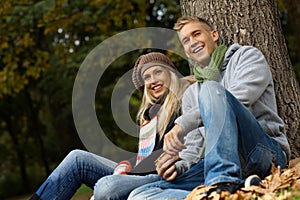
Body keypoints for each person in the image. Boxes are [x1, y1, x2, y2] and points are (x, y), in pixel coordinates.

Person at [127, 16, 291, 200]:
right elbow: (193, 149)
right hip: (210, 164)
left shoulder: (246, 56)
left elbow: (240, 97)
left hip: (261, 151)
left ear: (214, 35)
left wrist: (183, 124)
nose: (192, 42)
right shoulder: (191, 93)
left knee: (211, 90)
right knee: (140, 194)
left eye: (196, 34)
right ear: (186, 52)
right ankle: (218, 193)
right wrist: (178, 166)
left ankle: (221, 185)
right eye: (186, 41)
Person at [29, 52, 204, 200]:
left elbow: (191, 149)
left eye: (158, 72)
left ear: (171, 73)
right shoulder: (151, 114)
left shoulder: (187, 97)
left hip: (167, 175)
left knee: (106, 187)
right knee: (77, 158)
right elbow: (146, 157)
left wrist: (128, 171)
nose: (153, 81)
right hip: (141, 174)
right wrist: (127, 165)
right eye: (147, 77)